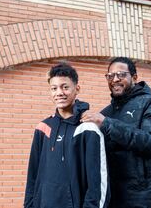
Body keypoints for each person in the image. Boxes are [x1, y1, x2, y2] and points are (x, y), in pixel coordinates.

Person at [81, 57, 151, 208]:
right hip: (115, 198)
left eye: (121, 75)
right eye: (110, 76)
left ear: (134, 77)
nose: (115, 79)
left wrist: (107, 124)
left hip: (148, 199)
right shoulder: (106, 113)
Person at [24, 62, 109, 208]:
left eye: (65, 87)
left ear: (77, 89)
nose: (59, 93)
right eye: (54, 88)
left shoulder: (88, 128)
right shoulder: (43, 128)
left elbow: (98, 184)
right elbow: (32, 177)